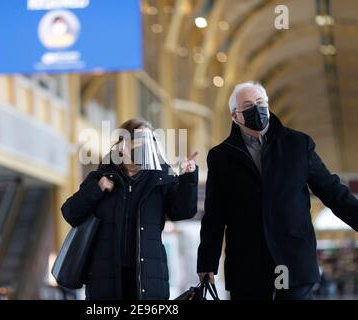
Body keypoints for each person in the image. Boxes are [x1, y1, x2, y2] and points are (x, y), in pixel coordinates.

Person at [197, 81, 358, 300]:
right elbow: (214, 214)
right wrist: (207, 261)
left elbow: (331, 190)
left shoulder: (298, 144)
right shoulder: (221, 157)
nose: (257, 108)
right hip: (247, 263)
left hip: (293, 258)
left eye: (260, 102)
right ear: (235, 116)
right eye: (248, 105)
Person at [62, 118, 199, 300]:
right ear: (122, 143)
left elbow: (183, 211)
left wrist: (188, 178)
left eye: (149, 140)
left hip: (149, 280)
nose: (145, 146)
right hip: (106, 281)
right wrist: (97, 188)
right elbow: (70, 212)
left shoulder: (160, 179)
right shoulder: (100, 177)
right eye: (139, 139)